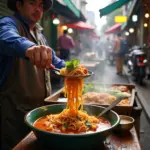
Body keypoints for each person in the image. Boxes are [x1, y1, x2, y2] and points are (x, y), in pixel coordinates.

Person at [0, 0, 65, 149]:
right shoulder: (8, 23)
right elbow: (7, 38)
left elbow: (56, 61)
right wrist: (30, 48)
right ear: (19, 4)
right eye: (32, 3)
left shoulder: (39, 34)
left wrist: (74, 69)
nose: (38, 9)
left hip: (40, 113)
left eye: (41, 5)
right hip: (13, 114)